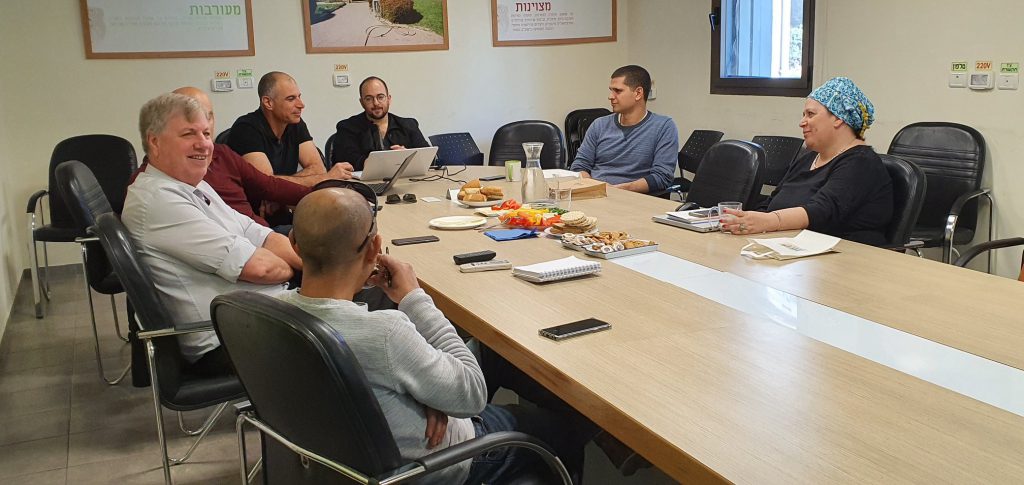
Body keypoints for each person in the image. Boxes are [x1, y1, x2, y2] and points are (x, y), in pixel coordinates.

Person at [280, 186, 594, 484]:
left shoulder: (273, 310)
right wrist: (413, 297)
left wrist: (430, 394)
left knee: (494, 352)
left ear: (294, 243)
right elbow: (471, 396)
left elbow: (389, 368)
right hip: (440, 462)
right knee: (566, 427)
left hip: (342, 451)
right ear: (375, 247)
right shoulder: (385, 333)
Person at [122, 93, 301, 373]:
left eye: (206, 133)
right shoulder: (158, 200)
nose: (204, 144)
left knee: (355, 298)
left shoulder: (194, 184)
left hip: (255, 317)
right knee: (361, 323)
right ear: (154, 142)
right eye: (188, 134)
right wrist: (304, 270)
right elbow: (262, 269)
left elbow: (259, 234)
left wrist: (313, 268)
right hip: (228, 339)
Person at [720, 77, 894, 246]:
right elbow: (771, 203)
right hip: (789, 250)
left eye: (810, 114)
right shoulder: (808, 159)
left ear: (838, 118)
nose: (802, 122)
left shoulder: (861, 164)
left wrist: (768, 221)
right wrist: (743, 222)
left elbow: (821, 211)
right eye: (803, 115)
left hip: (845, 256)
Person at [130, 87, 310, 229]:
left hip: (260, 235)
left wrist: (318, 194)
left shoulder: (222, 153)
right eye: (188, 127)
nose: (202, 129)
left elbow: (268, 185)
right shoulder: (154, 185)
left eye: (206, 117)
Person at [226, 71, 354, 185]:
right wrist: (325, 178)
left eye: (299, 97)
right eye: (291, 99)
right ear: (268, 103)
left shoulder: (294, 123)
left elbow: (318, 168)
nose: (301, 105)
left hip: (285, 199)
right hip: (250, 204)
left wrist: (283, 185)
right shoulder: (246, 129)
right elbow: (266, 185)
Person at [570, 65, 679, 194]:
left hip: (634, 198)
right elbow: (579, 165)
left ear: (638, 93)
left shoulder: (664, 126)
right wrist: (592, 187)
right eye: (611, 90)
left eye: (618, 91)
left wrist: (619, 190)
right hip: (595, 194)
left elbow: (662, 177)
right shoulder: (599, 125)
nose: (610, 96)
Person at [332, 76, 430, 171]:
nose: (376, 103)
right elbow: (343, 161)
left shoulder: (409, 125)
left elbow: (430, 158)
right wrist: (370, 163)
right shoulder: (347, 127)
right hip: (364, 181)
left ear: (389, 99)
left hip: (407, 179)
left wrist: (408, 155)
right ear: (361, 102)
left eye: (380, 97)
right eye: (369, 99)